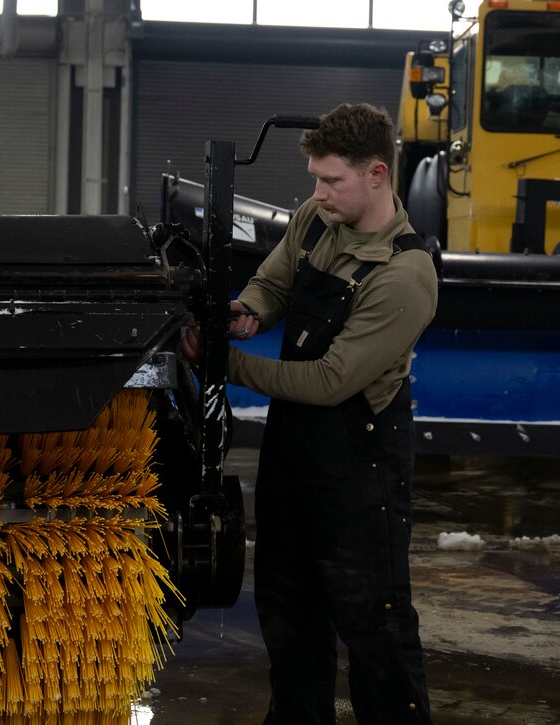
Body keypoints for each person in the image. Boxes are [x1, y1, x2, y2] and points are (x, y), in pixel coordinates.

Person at [182, 102, 438, 724]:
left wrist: (223, 364)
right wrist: (246, 314)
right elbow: (273, 285)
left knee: (371, 618)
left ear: (376, 175)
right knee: (288, 607)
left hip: (360, 462)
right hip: (296, 448)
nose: (317, 193)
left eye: (332, 181)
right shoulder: (315, 220)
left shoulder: (404, 274)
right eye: (315, 179)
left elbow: (327, 382)